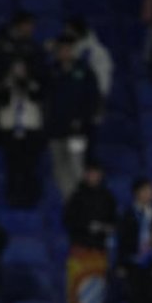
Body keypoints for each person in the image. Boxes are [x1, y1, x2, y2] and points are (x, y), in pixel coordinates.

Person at [63, 162, 116, 303]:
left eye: (96, 173)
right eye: (91, 173)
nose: (94, 177)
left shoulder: (108, 197)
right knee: (78, 293)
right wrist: (86, 227)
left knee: (96, 294)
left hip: (99, 254)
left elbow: (115, 222)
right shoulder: (76, 197)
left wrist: (104, 228)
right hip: (80, 252)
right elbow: (68, 221)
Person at [46, 36, 100, 199]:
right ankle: (69, 201)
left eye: (67, 49)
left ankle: (81, 200)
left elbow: (93, 98)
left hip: (78, 131)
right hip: (55, 130)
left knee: (77, 164)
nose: (64, 53)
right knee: (59, 167)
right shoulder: (51, 71)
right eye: (61, 49)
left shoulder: (84, 71)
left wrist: (84, 119)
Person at [0, 59, 45, 209]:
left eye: (21, 69)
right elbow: (1, 100)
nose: (19, 72)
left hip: (30, 131)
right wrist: (9, 85)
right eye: (16, 69)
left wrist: (27, 85)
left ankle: (31, 198)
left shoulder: (34, 85)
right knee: (12, 166)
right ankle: (13, 197)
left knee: (30, 166)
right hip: (10, 131)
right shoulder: (6, 85)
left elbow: (40, 96)